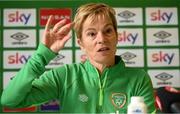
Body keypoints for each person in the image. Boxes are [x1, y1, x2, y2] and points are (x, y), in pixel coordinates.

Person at [1, 3, 156, 113]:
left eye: (108, 31)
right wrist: (42, 55)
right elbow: (9, 100)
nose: (101, 39)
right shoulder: (65, 76)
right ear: (81, 43)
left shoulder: (138, 79)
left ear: (117, 37)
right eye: (92, 33)